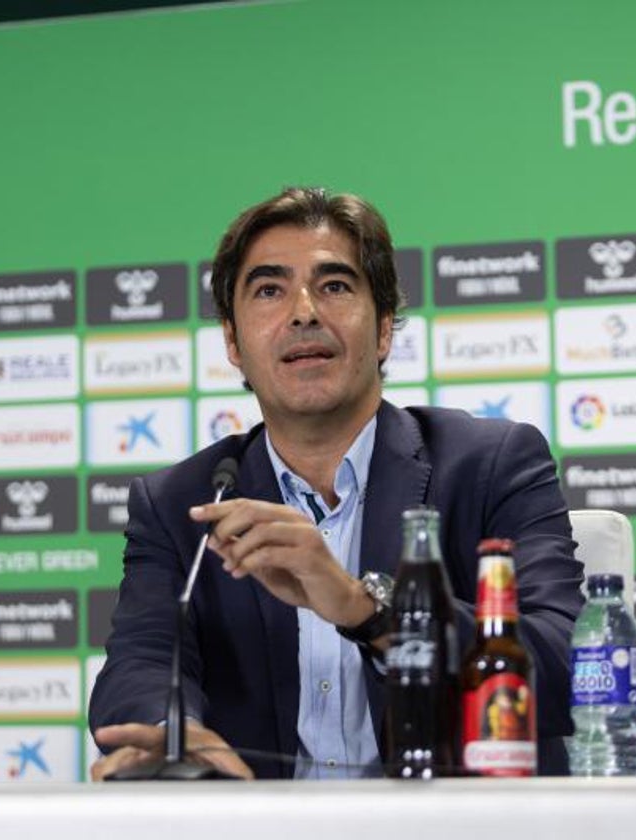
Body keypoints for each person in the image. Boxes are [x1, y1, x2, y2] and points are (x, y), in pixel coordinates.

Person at [88, 187, 583, 780]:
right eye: (269, 290)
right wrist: (176, 736)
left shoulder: (490, 463)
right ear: (233, 344)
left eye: (335, 286)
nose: (303, 312)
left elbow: (567, 664)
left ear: (383, 332)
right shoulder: (182, 502)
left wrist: (364, 608)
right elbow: (142, 661)